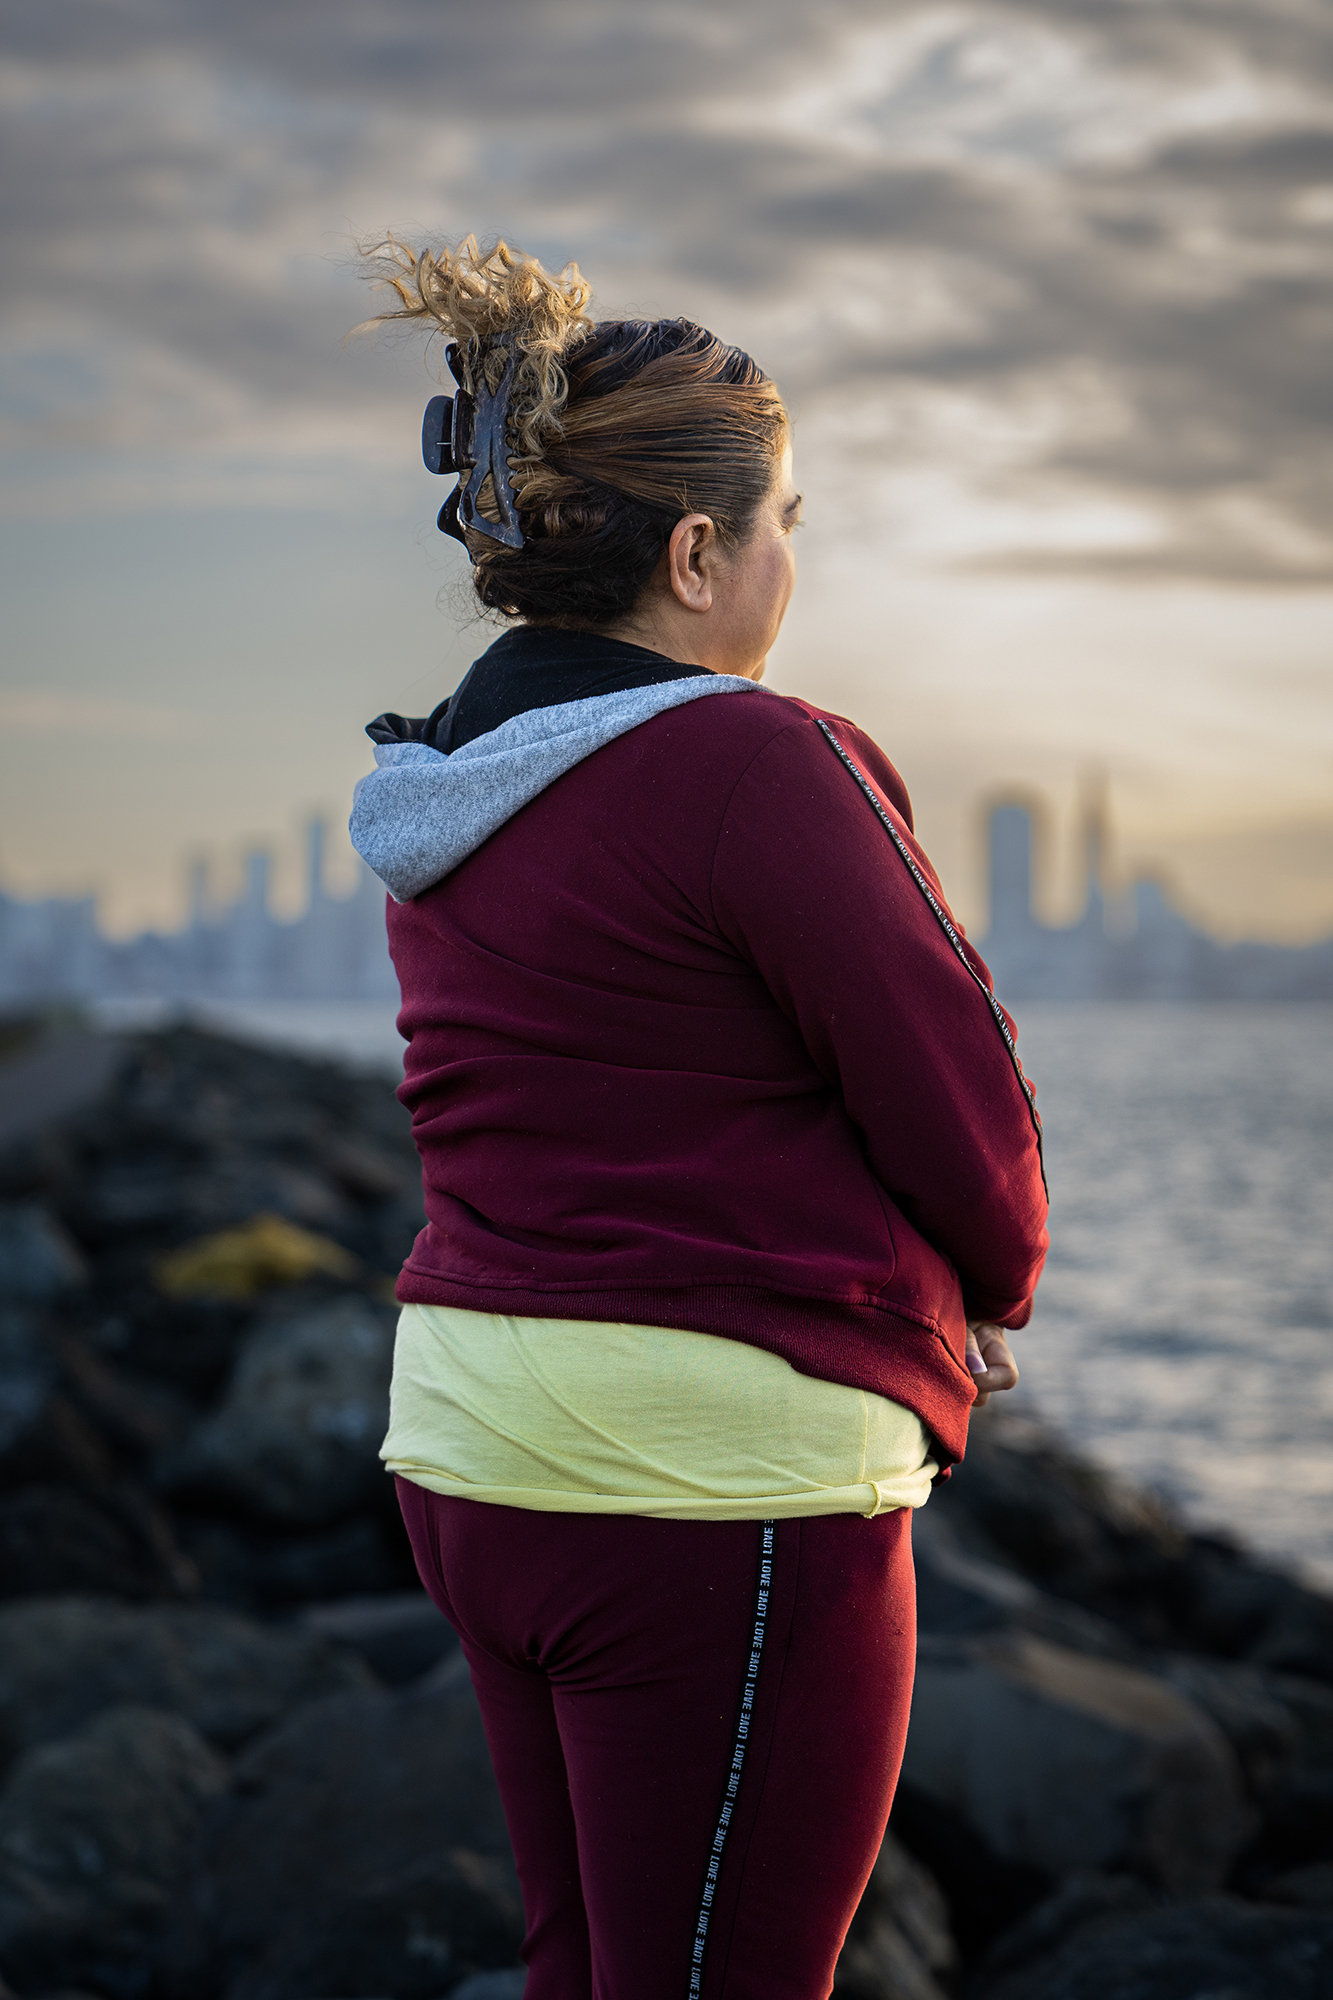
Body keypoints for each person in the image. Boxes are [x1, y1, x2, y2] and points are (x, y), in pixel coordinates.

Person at [350, 235, 1048, 2000]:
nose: (790, 562)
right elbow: (958, 1101)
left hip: (466, 1442)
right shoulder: (758, 760)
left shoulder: (440, 789)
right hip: (703, 1482)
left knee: (587, 1965)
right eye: (784, 520)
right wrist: (982, 1289)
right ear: (692, 552)